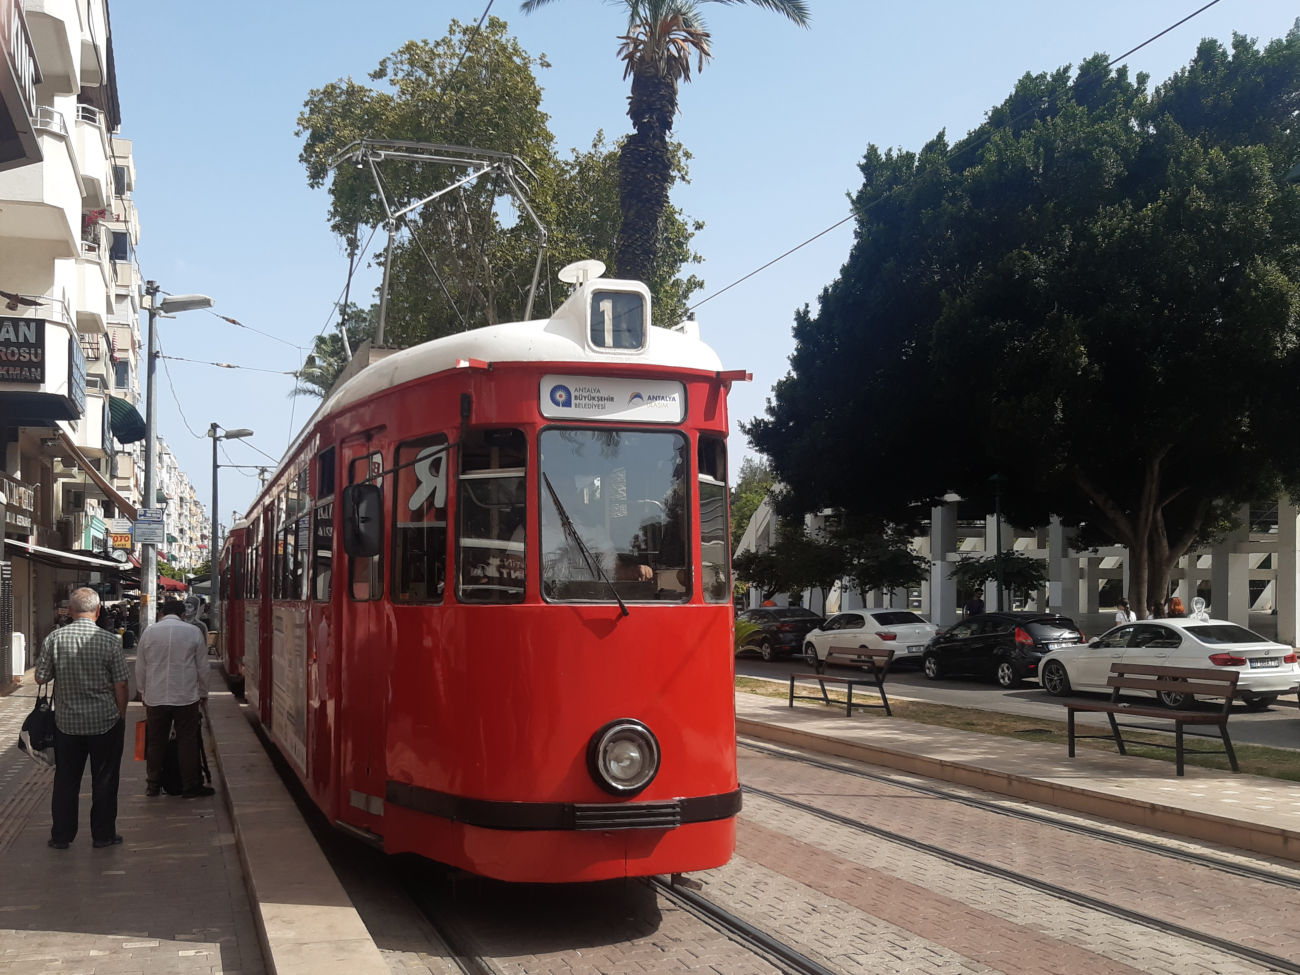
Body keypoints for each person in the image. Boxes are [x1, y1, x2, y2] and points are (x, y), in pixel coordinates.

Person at [35, 587, 129, 850]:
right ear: (98, 611)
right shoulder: (110, 641)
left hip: (66, 725)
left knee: (66, 780)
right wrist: (120, 715)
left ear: (70, 611)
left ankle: (61, 836)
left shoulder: (55, 639)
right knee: (105, 780)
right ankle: (103, 835)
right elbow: (121, 684)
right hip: (105, 723)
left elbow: (41, 677)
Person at [135, 598, 213, 799]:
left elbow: (141, 666)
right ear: (182, 614)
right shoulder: (193, 632)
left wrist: (142, 692)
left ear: (161, 614)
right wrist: (203, 693)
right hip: (185, 696)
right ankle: (189, 785)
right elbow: (203, 667)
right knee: (186, 740)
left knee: (155, 742)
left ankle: (152, 785)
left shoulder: (149, 632)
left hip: (155, 696)